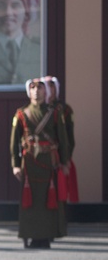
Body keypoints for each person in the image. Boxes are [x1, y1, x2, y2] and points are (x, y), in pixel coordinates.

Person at [11, 78, 69, 249]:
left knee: (47, 199)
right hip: (29, 163)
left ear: (46, 92)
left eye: (40, 88)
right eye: (32, 87)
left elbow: (63, 139)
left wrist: (64, 161)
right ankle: (29, 235)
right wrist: (15, 163)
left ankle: (45, 236)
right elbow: (14, 141)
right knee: (29, 201)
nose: (36, 91)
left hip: (48, 162)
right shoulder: (21, 113)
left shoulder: (55, 113)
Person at [44, 76, 79, 204]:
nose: (49, 90)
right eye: (46, 87)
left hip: (58, 154)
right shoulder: (37, 109)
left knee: (60, 192)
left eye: (52, 87)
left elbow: (69, 136)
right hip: (42, 156)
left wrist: (66, 157)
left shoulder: (65, 110)